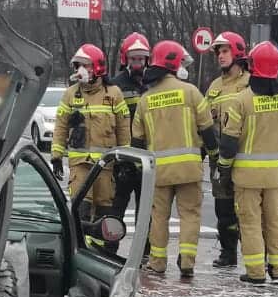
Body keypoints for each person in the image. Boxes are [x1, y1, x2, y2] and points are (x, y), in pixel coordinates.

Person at [215, 41, 278, 285]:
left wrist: (223, 168)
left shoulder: (242, 100)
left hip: (246, 178)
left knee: (251, 223)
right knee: (275, 221)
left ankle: (255, 272)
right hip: (276, 177)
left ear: (254, 67)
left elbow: (229, 142)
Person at [131, 40, 217, 279]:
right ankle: (187, 261)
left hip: (159, 171)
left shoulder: (145, 100)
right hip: (189, 169)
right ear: (174, 65)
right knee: (190, 214)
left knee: (159, 216)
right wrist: (216, 156)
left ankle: (157, 262)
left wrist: (138, 169)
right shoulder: (191, 92)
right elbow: (208, 130)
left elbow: (137, 141)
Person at [50, 44, 131, 239]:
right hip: (80, 165)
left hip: (106, 165)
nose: (80, 71)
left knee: (104, 210)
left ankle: (99, 252)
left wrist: (125, 160)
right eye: (77, 66)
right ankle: (79, 247)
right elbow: (61, 126)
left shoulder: (113, 94)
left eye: (84, 66)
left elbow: (123, 128)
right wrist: (56, 156)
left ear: (97, 67)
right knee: (80, 208)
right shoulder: (70, 94)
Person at [201, 31, 251, 268]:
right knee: (223, 209)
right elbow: (204, 121)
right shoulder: (214, 86)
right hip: (219, 160)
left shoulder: (250, 83)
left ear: (237, 52)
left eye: (225, 51)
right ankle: (228, 252)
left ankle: (254, 256)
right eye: (218, 52)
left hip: (243, 159)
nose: (220, 56)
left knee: (248, 210)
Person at [108, 33, 152, 219]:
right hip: (124, 158)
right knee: (116, 207)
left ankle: (145, 248)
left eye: (141, 59)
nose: (137, 63)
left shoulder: (153, 83)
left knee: (145, 212)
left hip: (148, 157)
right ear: (125, 59)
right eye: (134, 59)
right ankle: (109, 247)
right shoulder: (116, 85)